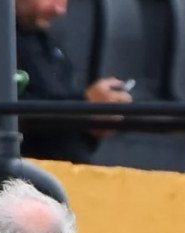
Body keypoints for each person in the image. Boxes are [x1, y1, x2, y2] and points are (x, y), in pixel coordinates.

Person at [14, 0, 133, 163]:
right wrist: (83, 107)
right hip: (20, 180)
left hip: (66, 176)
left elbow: (61, 138)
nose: (60, 9)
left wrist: (93, 126)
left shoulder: (46, 42)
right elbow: (6, 114)